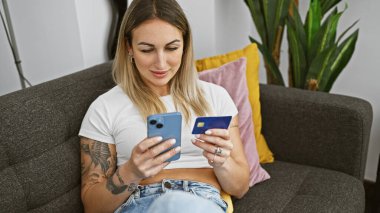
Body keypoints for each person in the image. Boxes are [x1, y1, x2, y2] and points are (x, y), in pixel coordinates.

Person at [79, 0, 250, 212]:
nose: (161, 63)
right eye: (147, 49)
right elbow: (93, 207)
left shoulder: (216, 97)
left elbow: (240, 188)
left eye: (171, 48)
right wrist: (131, 171)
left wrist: (222, 162)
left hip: (201, 201)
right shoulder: (104, 107)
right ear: (129, 47)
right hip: (138, 203)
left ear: (185, 45)